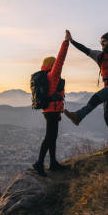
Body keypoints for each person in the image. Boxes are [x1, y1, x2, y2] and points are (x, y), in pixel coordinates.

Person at [32, 30, 71, 177]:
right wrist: (66, 42)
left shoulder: (46, 77)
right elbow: (61, 59)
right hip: (51, 111)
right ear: (52, 65)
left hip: (50, 111)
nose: (57, 65)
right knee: (49, 137)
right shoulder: (52, 75)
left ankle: (53, 162)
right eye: (54, 64)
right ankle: (39, 163)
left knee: (52, 137)